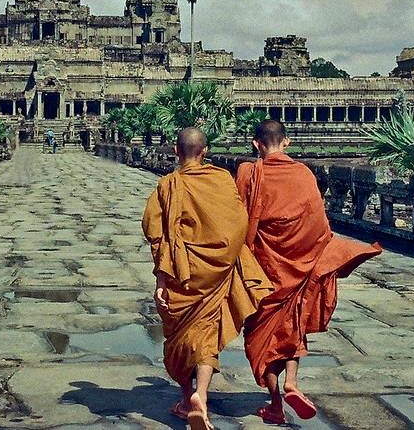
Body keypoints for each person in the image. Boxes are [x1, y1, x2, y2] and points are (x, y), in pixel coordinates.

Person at [235, 119, 382, 424]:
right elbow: (318, 226)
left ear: (256, 144)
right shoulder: (303, 174)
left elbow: (238, 220)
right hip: (299, 268)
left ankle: (275, 404)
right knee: (293, 328)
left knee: (261, 340)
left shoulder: (249, 173)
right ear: (286, 142)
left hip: (264, 272)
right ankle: (292, 382)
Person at [142, 127, 273, 429]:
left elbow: (157, 235)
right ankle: (200, 395)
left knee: (179, 338)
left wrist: (162, 279)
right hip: (215, 274)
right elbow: (238, 224)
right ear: (205, 152)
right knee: (207, 335)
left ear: (176, 151)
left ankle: (188, 398)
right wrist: (227, 259)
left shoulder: (167, 186)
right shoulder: (221, 179)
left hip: (181, 273)